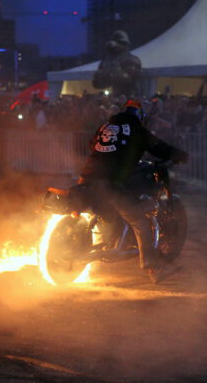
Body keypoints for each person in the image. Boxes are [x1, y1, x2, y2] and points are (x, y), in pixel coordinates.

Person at [78, 99, 189, 283]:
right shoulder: (137, 130)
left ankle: (111, 237)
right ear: (140, 117)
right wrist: (181, 155)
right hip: (110, 183)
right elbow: (160, 148)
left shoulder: (106, 126)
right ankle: (154, 268)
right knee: (140, 220)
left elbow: (93, 145)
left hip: (86, 179)